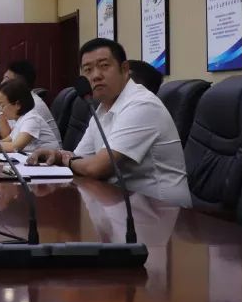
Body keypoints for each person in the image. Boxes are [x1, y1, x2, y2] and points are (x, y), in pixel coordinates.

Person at [27, 38, 191, 208]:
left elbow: (97, 167)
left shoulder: (142, 104)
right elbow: (80, 157)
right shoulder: (102, 108)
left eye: (104, 66)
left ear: (124, 69)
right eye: (88, 70)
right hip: (122, 202)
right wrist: (57, 155)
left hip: (164, 211)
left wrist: (67, 160)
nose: (95, 75)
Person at [0, 79, 60, 153]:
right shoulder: (20, 119)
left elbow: (15, 146)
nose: (1, 111)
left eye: (2, 105)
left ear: (18, 104)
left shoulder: (32, 118)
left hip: (52, 163)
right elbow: (7, 140)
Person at [2, 59, 62, 145]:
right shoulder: (19, 103)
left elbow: (15, 146)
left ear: (18, 84)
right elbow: (10, 138)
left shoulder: (32, 106)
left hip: (49, 153)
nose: (2, 83)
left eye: (6, 79)